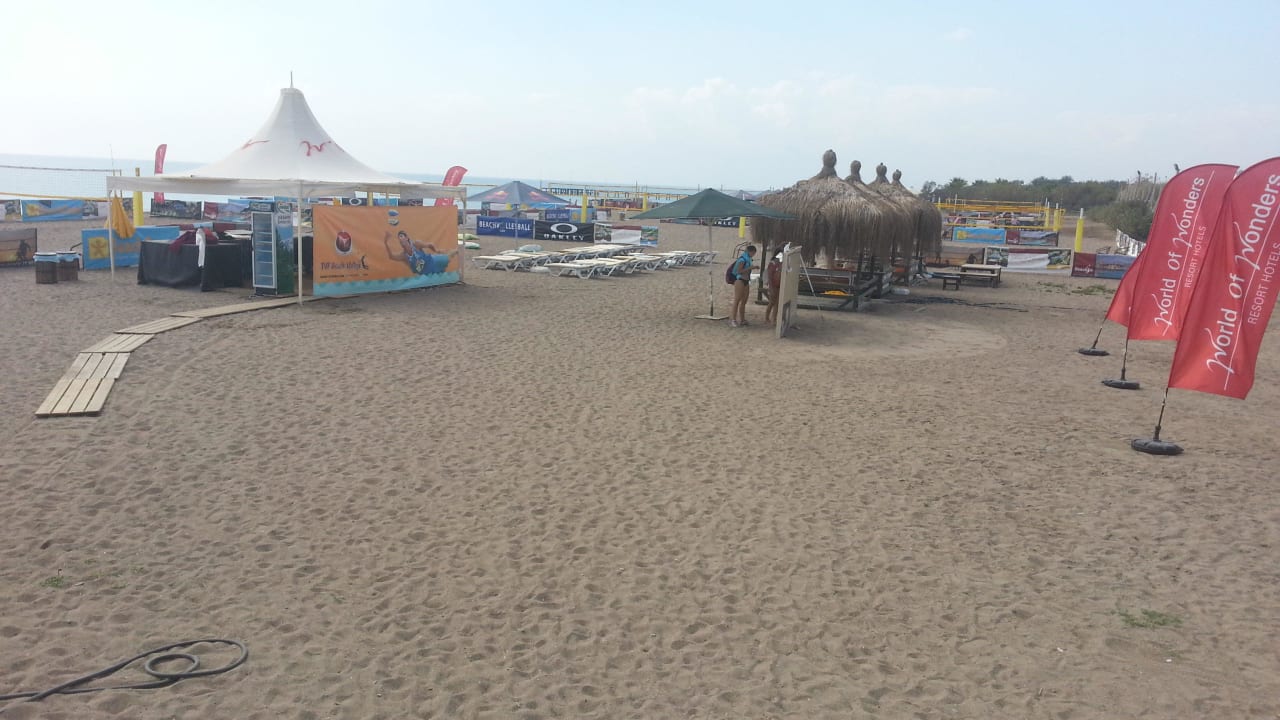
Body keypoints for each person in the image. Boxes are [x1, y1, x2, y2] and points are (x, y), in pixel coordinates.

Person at [384, 230, 458, 275]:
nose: (400, 239)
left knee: (448, 259)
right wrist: (386, 243)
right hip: (425, 272)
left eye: (401, 236)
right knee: (441, 274)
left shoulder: (416, 244)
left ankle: (456, 251)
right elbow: (391, 257)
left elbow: (430, 245)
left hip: (432, 261)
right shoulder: (404, 255)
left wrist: (436, 250)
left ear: (407, 238)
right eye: (398, 238)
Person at [729, 244, 757, 328]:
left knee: (744, 301)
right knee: (737, 300)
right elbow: (739, 271)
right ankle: (733, 320)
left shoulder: (749, 259)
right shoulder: (742, 259)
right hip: (740, 280)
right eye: (753, 253)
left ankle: (742, 319)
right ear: (750, 252)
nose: (753, 255)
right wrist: (750, 268)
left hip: (746, 281)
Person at [764, 250, 782, 325]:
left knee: (777, 303)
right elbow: (769, 276)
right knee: (771, 302)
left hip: (779, 285)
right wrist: (771, 288)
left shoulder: (781, 263)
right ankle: (767, 318)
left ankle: (774, 319)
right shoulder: (772, 264)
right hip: (773, 285)